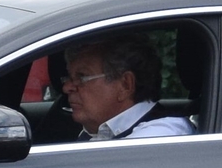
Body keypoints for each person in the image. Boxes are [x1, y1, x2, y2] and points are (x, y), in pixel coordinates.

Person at [60, 36, 196, 140]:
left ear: (125, 85)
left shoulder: (161, 136)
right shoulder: (99, 132)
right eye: (70, 78)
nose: (67, 87)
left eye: (82, 77)